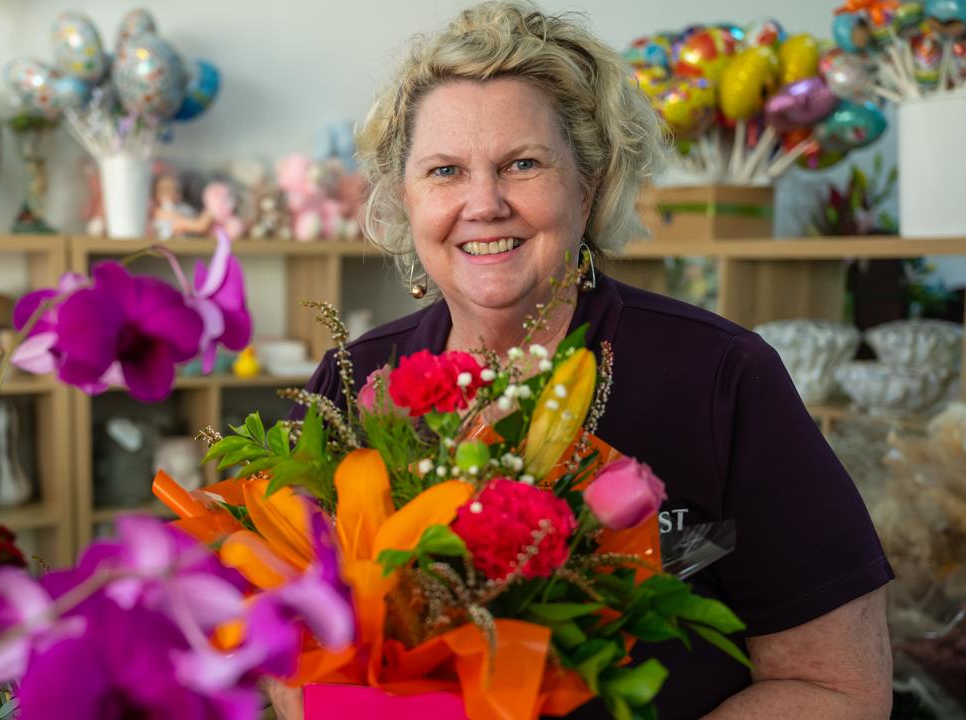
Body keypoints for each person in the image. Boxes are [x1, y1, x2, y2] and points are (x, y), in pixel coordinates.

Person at [286, 2, 893, 718]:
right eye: (445, 171)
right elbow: (288, 643)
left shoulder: (721, 377)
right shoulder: (354, 383)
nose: (483, 203)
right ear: (404, 199)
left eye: (523, 164)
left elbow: (839, 690)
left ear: (591, 184)